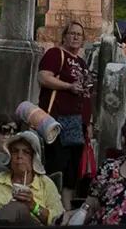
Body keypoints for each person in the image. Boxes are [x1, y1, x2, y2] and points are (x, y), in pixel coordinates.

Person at [0, 129, 64, 226]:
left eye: (26, 152)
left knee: (14, 208)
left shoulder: (45, 184)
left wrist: (33, 206)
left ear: (34, 158)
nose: (19, 156)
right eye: (15, 151)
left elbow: (59, 220)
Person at [35, 20, 94, 187]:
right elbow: (43, 77)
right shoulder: (55, 54)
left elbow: (86, 93)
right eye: (72, 33)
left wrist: (89, 122)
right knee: (56, 165)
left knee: (72, 171)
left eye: (79, 34)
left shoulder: (82, 63)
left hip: (78, 124)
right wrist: (68, 86)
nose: (75, 37)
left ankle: (67, 208)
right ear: (64, 36)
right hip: (58, 119)